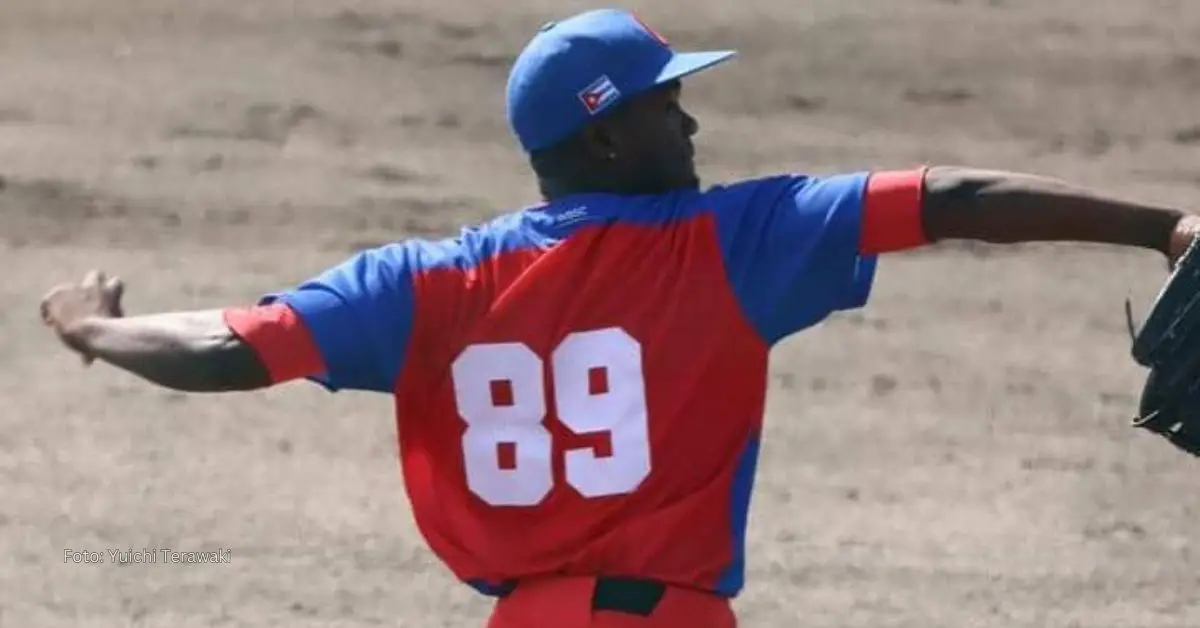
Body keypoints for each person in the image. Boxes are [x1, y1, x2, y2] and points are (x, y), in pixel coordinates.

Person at [38, 7, 1200, 628]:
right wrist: (1165, 227)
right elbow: (954, 201)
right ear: (603, 136)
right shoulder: (734, 240)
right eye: (666, 109)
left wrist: (93, 330)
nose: (690, 131)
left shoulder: (426, 279)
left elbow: (231, 348)